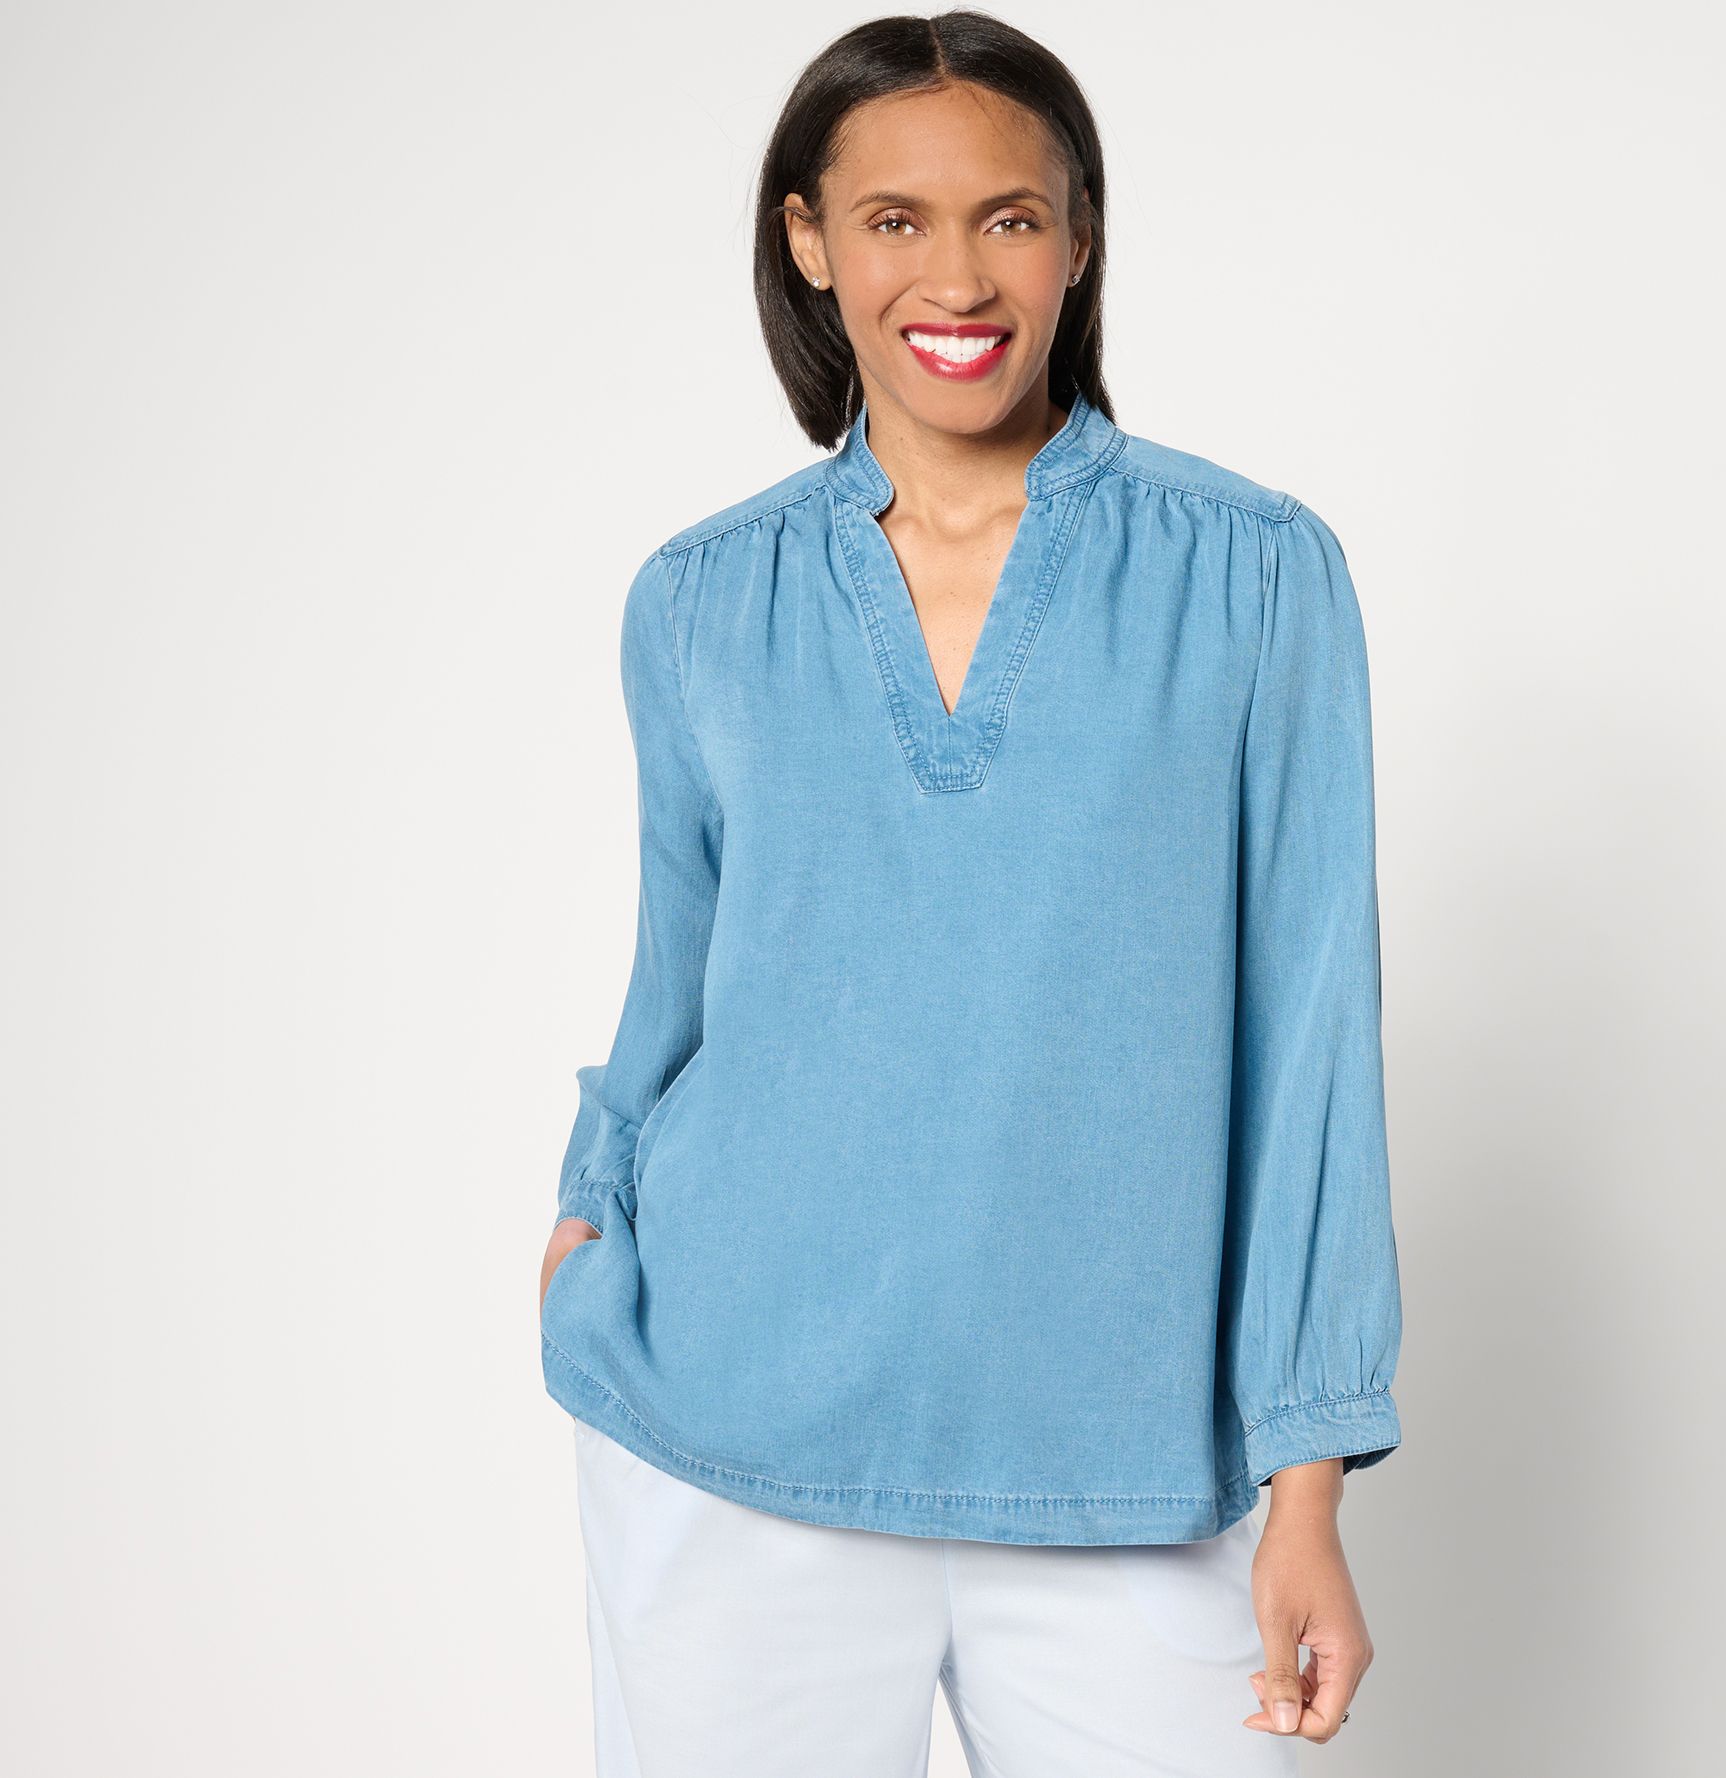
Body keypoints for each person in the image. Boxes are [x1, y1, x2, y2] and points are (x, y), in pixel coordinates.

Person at [536, 13, 1405, 1774]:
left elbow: (1312, 1044)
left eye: (1010, 218)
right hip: (734, 1441)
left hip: (1128, 1469)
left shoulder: (1254, 575)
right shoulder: (701, 601)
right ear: (810, 241)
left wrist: (1306, 1481)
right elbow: (680, 984)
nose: (957, 277)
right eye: (895, 221)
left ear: (1080, 239)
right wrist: (591, 1204)